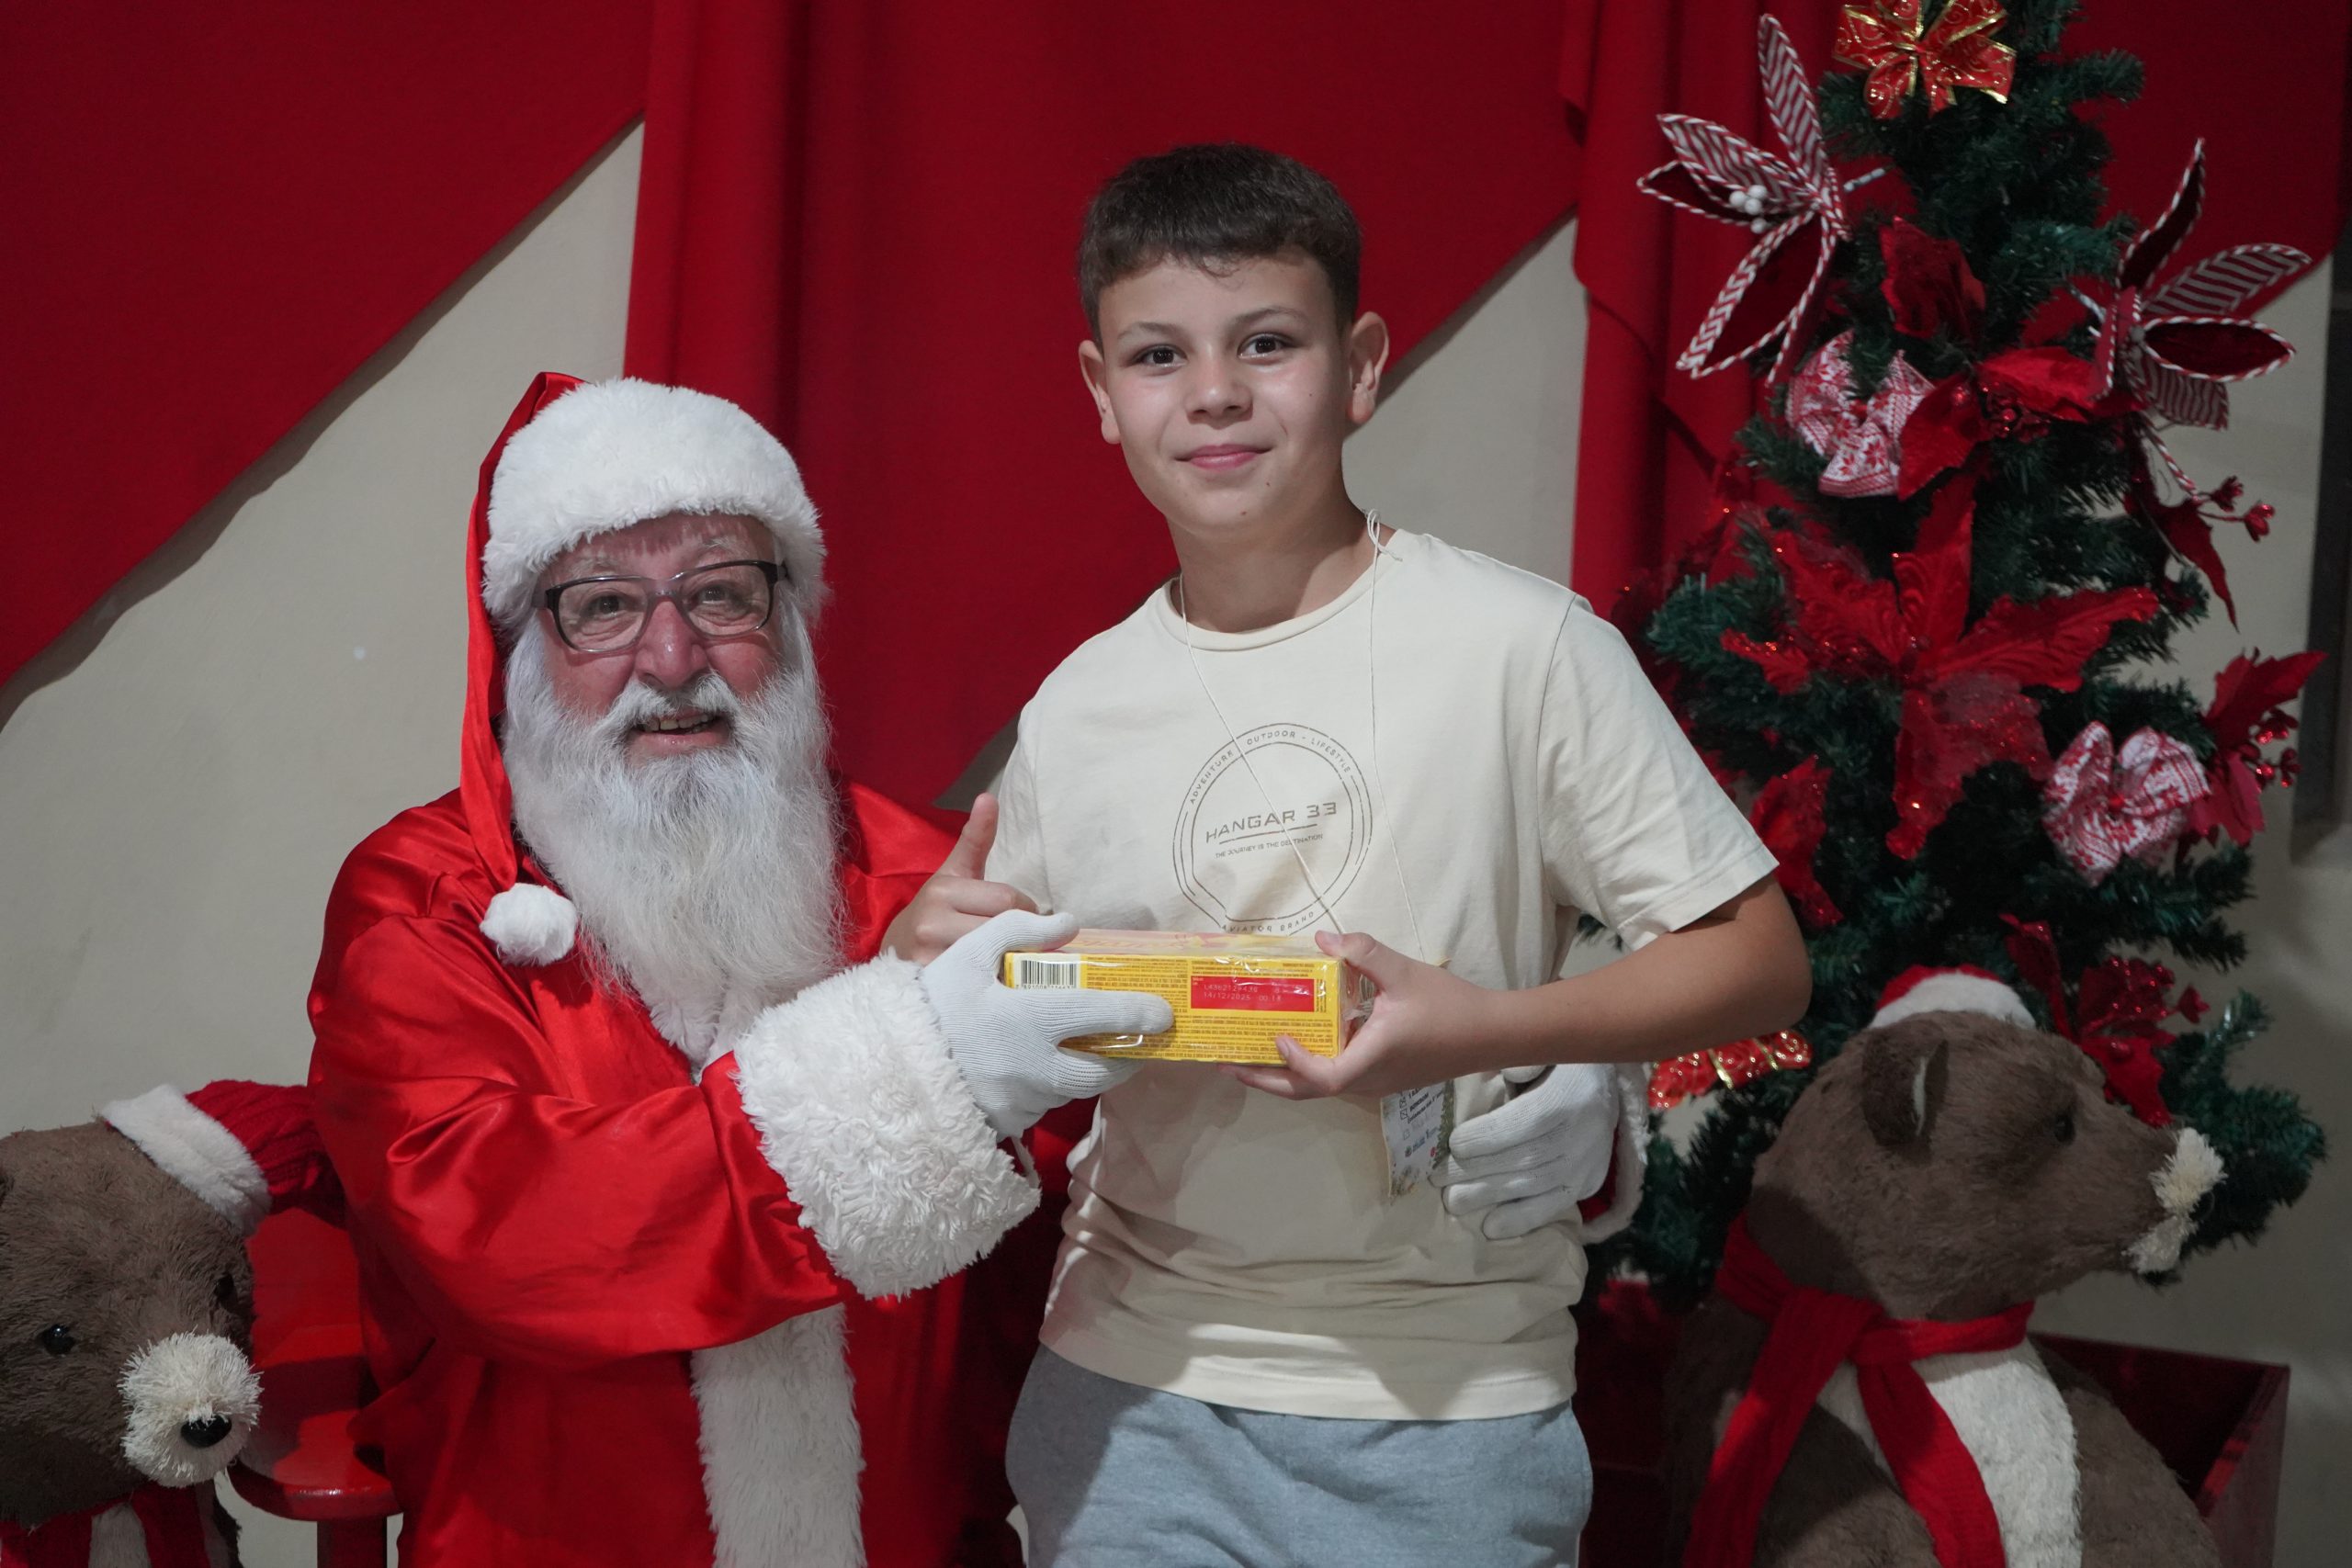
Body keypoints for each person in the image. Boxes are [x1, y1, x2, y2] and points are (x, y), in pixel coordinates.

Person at [885, 145, 1813, 1565]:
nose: (1214, 392)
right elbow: (999, 1027)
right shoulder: (1076, 708)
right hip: (1129, 1392)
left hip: (1448, 1405)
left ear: (1362, 365)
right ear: (1101, 392)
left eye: (1267, 342)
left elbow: (1759, 961)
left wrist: (1489, 1030)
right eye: (1159, 354)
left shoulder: (1523, 648)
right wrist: (926, 969)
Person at [307, 373, 1170, 1568]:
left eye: (721, 593)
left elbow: (1110, 1220)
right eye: (604, 606)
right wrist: (912, 1054)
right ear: (518, 650)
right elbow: (496, 1238)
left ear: (793, 622)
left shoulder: (932, 880)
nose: (672, 657)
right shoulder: (424, 900)